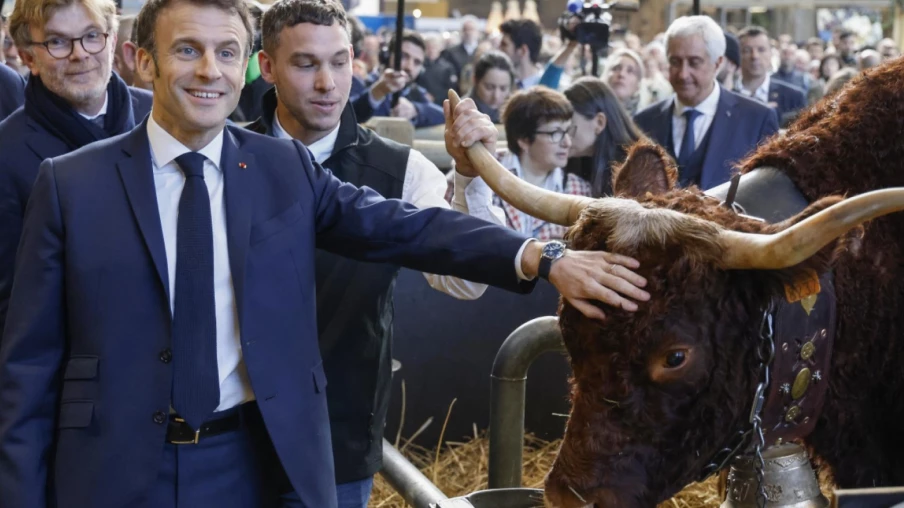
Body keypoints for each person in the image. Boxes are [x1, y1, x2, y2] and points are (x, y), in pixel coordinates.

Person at [0, 0, 652, 507]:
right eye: (187, 50)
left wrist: (541, 255)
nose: (209, 70)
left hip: (253, 466)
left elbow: (407, 227)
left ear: (247, 65)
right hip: (111, 472)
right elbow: (26, 374)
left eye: (227, 52)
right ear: (143, 61)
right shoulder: (71, 184)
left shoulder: (280, 168)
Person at [248, 1, 508, 505]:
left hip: (338, 437)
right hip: (231, 434)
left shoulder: (401, 170)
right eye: (306, 64)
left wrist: (472, 178)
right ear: (267, 66)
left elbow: (466, 281)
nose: (328, 83)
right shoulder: (226, 156)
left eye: (340, 62)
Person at [0, 0, 152, 344]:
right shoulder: (6, 153)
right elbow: (12, 306)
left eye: (91, 36)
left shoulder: (162, 118)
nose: (80, 54)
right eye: (57, 42)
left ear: (112, 40)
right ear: (28, 58)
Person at [634, 16, 779, 190]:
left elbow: (769, 193)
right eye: (675, 62)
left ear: (717, 63)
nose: (683, 74)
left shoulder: (756, 120)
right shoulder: (644, 122)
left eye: (694, 63)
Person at [492, 87, 592, 241]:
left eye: (567, 131)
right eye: (555, 133)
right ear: (524, 140)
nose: (567, 142)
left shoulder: (579, 190)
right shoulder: (483, 173)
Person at [563, 77, 645, 197]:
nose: (563, 139)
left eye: (569, 129)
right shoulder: (572, 161)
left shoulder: (640, 168)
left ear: (599, 122)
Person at [352, 29, 444, 128]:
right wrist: (377, 92)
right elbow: (348, 113)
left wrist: (415, 110)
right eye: (404, 56)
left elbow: (443, 115)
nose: (409, 67)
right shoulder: (360, 82)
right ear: (387, 55)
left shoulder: (416, 93)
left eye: (416, 62)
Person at [735, 25, 806, 127]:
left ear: (771, 54)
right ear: (738, 55)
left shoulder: (794, 97)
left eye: (761, 49)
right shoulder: (725, 97)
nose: (755, 56)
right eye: (747, 50)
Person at [466, 49, 514, 124]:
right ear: (475, 81)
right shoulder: (461, 113)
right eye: (489, 87)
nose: (496, 96)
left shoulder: (515, 115)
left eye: (503, 89)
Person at [498, 18, 542, 89]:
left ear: (523, 50)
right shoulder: (500, 84)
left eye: (504, 45)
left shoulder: (547, 85)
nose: (499, 49)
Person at [602, 47, 645, 115]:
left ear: (638, 85)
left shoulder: (644, 119)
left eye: (630, 71)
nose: (621, 74)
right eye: (616, 68)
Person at [441, 14, 480, 79]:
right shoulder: (450, 52)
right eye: (466, 29)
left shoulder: (483, 51)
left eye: (471, 29)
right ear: (461, 31)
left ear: (477, 32)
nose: (468, 32)